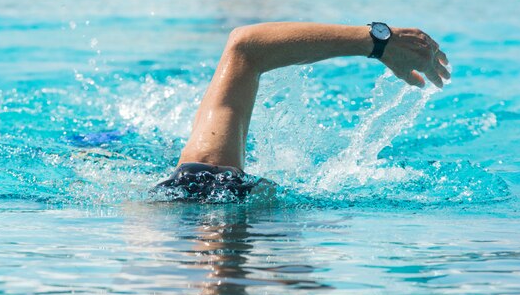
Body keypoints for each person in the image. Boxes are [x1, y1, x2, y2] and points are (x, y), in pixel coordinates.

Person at [154, 22, 450, 201]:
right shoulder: (209, 186)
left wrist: (380, 43)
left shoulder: (202, 186)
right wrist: (379, 42)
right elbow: (245, 47)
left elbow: (245, 47)